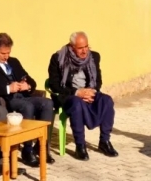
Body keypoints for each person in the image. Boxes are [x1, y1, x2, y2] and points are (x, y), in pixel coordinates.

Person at [0, 33, 54, 166]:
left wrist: (28, 85)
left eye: (8, 52)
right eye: (3, 53)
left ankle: (43, 145)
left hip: (24, 96)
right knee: (27, 107)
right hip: (7, 99)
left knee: (47, 103)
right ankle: (27, 149)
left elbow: (31, 80)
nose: (6, 56)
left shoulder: (14, 62)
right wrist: (8, 88)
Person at [48, 32, 117, 161]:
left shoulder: (94, 57)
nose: (85, 51)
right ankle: (80, 145)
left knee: (107, 101)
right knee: (76, 103)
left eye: (86, 46)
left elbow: (98, 81)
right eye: (80, 48)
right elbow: (54, 85)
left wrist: (91, 91)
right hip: (69, 95)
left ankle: (105, 141)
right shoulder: (58, 58)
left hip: (89, 93)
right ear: (72, 46)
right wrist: (77, 92)